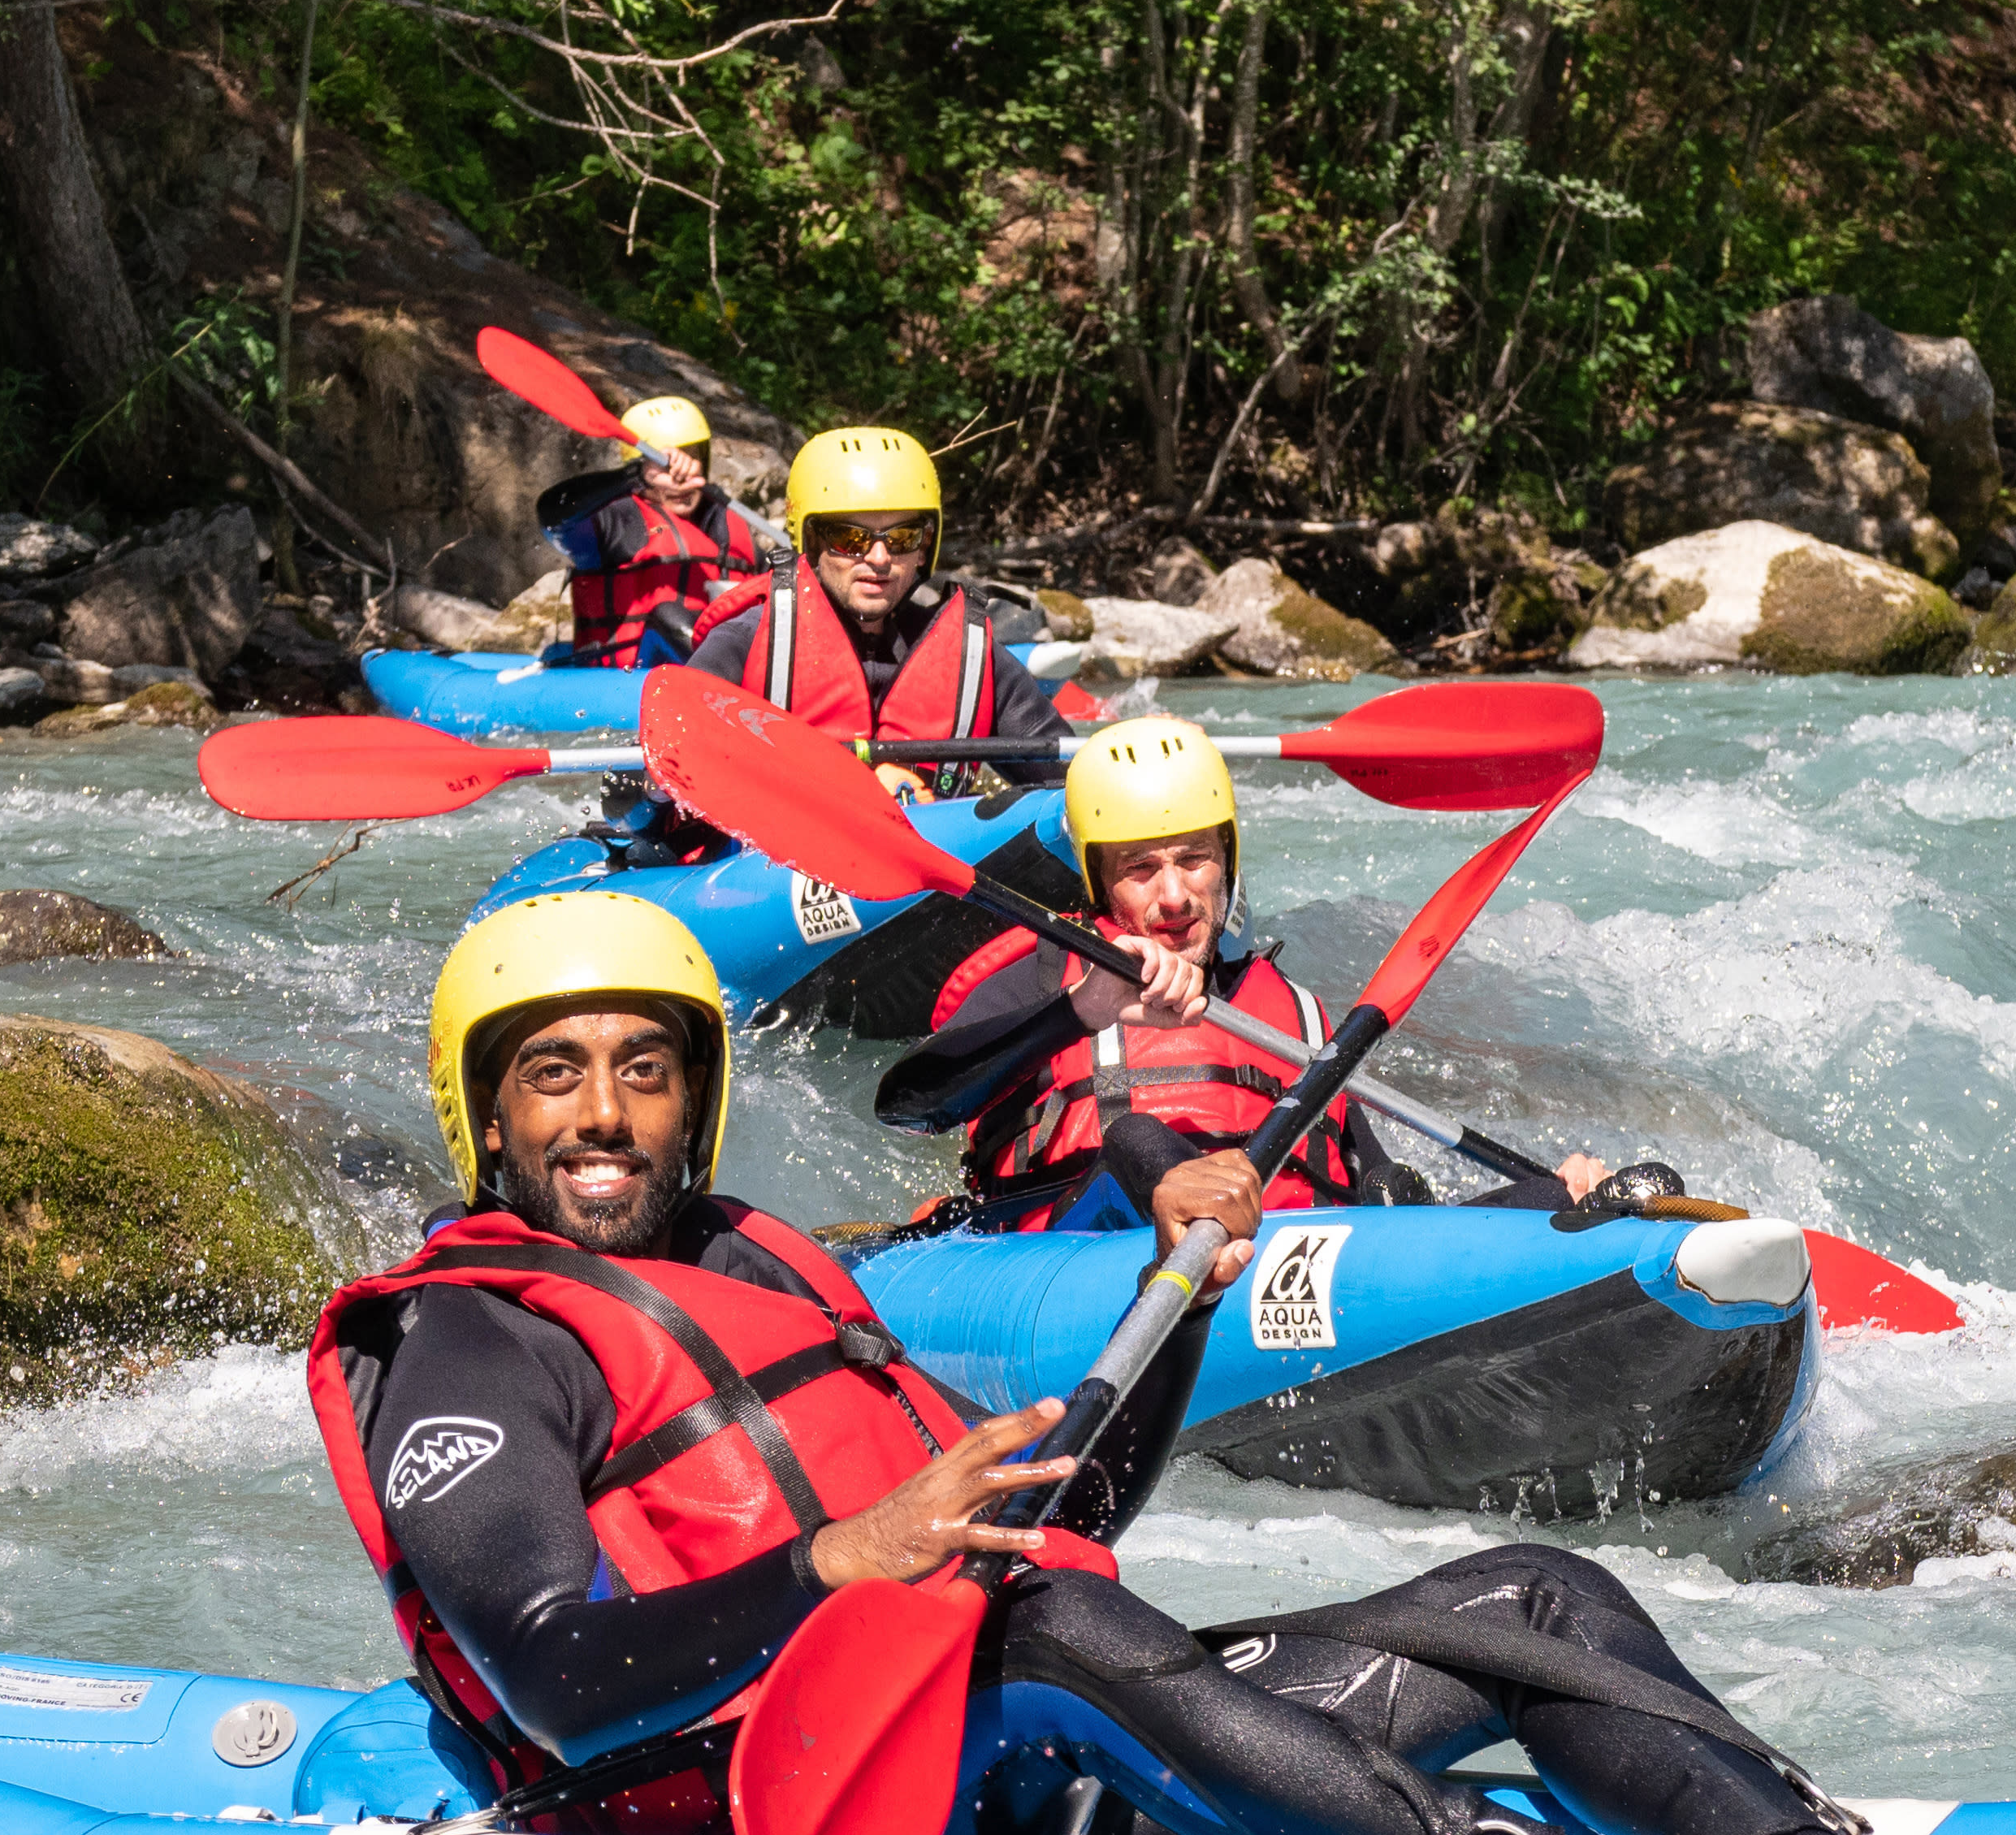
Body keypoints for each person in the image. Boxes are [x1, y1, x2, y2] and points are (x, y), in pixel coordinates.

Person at [303, 894, 1874, 1835]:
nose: (604, 1110)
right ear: (488, 1116)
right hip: (772, 1794)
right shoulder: (465, 1341)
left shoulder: (763, 1265)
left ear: (693, 1097)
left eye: (643, 1067)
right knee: (1042, 1629)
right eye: (554, 1072)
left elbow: (1073, 1519)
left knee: (1535, 1591)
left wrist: (1171, 1290)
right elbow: (553, 1684)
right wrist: (837, 1561)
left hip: (1006, 1735)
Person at [880, 714, 1627, 1234]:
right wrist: (1078, 1013)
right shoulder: (1043, 984)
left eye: (1194, 858)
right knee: (1138, 1142)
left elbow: (1376, 1193)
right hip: (1089, 1253)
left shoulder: (1297, 1012)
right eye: (1141, 869)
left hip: (1281, 1273)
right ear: (1099, 882)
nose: (1174, 896)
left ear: (1228, 860)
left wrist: (1553, 1205)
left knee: (1615, 1198)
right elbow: (911, 1106)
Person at [686, 426, 1070, 768]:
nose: (879, 558)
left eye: (902, 538)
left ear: (924, 548)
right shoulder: (745, 644)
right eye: (852, 539)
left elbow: (1072, 777)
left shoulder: (972, 657)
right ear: (814, 542)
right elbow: (665, 775)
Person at [535, 396, 768, 667]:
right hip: (626, 682)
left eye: (693, 456)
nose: (680, 475)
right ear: (643, 466)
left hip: (723, 679)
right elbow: (552, 512)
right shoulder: (617, 521)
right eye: (666, 463)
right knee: (669, 616)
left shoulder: (731, 527)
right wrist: (634, 476)